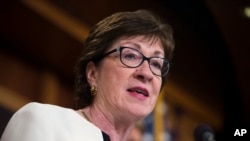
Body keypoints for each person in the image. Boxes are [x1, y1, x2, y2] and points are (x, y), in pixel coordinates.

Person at [1, 9, 175, 141]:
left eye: (156, 64)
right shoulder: (44, 120)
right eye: (130, 55)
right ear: (93, 73)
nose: (146, 73)